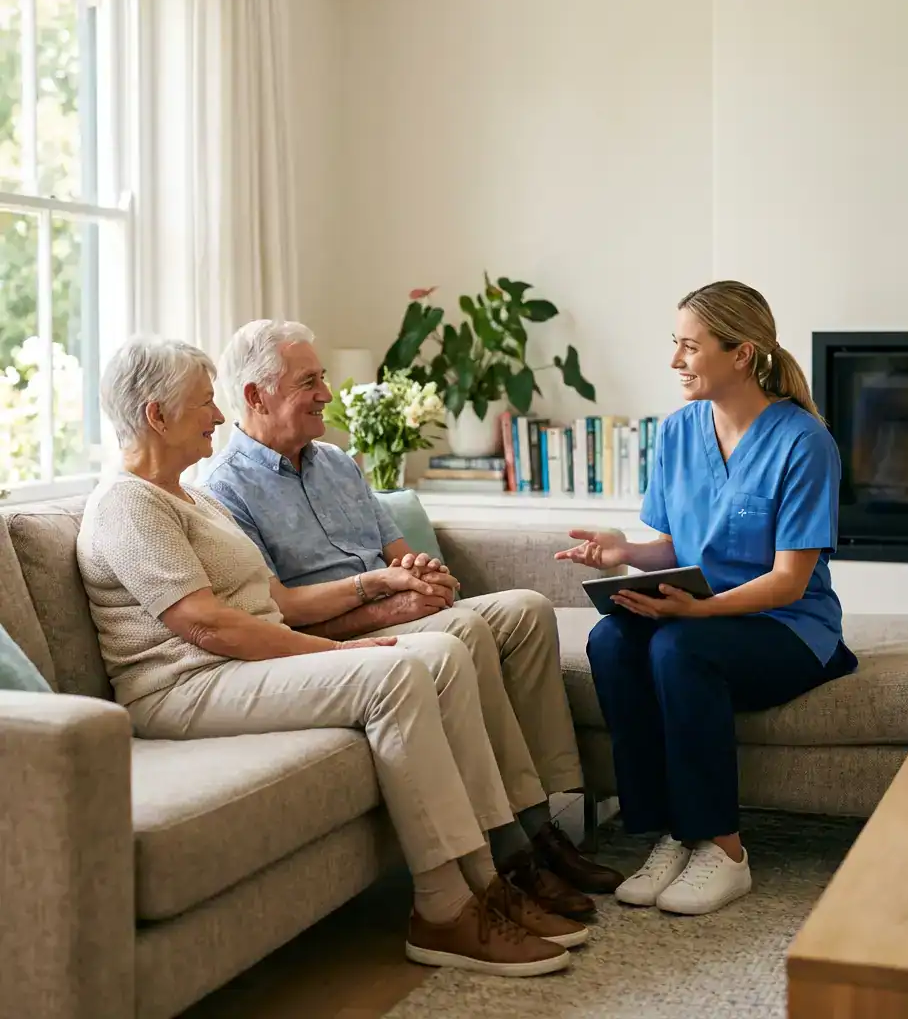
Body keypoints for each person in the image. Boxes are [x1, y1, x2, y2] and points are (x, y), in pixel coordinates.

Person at [77, 335, 588, 978]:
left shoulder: (189, 495)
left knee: (440, 654)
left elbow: (266, 600)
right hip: (185, 685)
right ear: (156, 415)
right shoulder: (127, 501)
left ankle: (490, 882)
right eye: (205, 403)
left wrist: (379, 599)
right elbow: (207, 627)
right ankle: (441, 909)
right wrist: (333, 650)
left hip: (241, 666)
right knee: (400, 669)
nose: (216, 415)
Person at [202, 319, 621, 919]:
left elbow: (399, 552)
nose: (327, 393)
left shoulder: (338, 464)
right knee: (463, 630)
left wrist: (426, 573)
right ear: (255, 396)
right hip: (335, 635)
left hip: (399, 608)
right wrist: (387, 599)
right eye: (309, 382)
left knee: (526, 609)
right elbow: (282, 610)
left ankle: (552, 816)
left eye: (321, 378)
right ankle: (518, 847)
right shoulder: (223, 490)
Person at [557, 281, 858, 916]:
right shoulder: (677, 431)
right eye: (676, 345)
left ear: (742, 354)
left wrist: (694, 612)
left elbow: (788, 582)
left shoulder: (804, 442)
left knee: (679, 647)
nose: (675, 362)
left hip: (787, 627)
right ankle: (673, 831)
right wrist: (626, 555)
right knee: (611, 639)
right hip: (701, 619)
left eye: (689, 347)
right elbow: (673, 547)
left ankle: (724, 850)